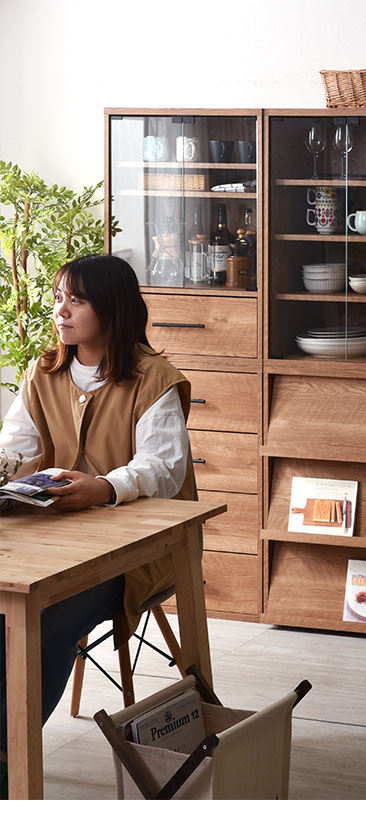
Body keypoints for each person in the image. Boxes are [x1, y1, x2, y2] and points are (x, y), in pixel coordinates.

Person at [0, 254, 198, 797]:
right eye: (58, 295)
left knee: (53, 617)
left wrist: (103, 487)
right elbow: (16, 449)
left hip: (136, 550)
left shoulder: (153, 378)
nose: (59, 310)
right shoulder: (43, 373)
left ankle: (7, 757)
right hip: (56, 537)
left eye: (76, 300)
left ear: (111, 309)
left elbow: (162, 468)